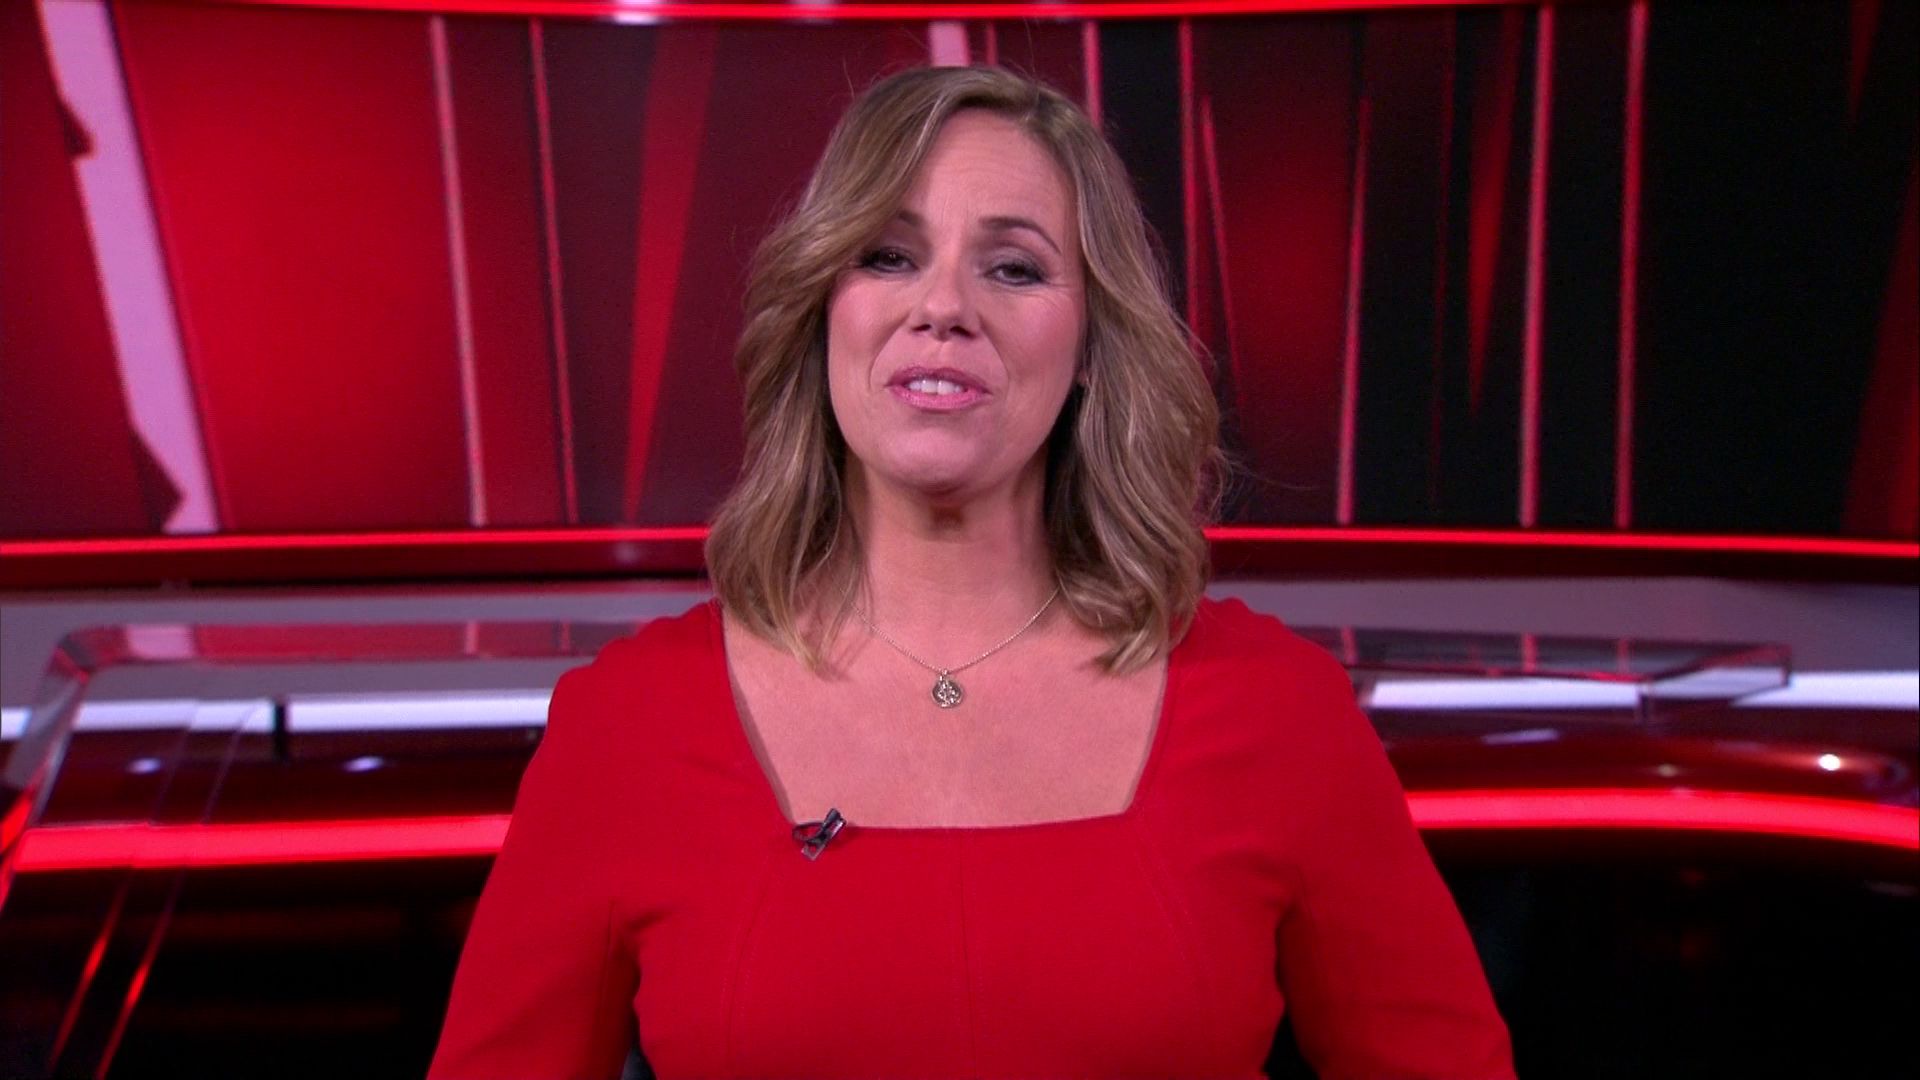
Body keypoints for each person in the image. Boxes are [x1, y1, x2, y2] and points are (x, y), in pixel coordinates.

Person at [430, 65, 1513, 1079]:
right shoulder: (627, 725)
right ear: (822, 313)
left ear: (1090, 347)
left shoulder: (1280, 711)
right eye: (888, 256)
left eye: (1014, 268)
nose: (943, 306)